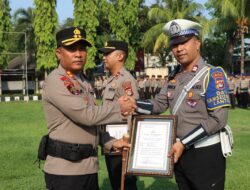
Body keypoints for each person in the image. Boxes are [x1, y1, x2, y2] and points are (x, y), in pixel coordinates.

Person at [136, 19, 231, 190]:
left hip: (205, 154)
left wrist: (183, 143)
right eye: (174, 44)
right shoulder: (175, 76)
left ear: (197, 43)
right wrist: (133, 104)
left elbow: (218, 120)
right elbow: (158, 104)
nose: (179, 49)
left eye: (184, 42)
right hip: (180, 152)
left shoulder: (212, 74)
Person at [41, 27, 136, 190]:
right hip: (66, 172)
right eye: (72, 49)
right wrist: (118, 107)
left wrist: (111, 143)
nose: (78, 54)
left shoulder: (81, 81)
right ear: (58, 53)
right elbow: (86, 116)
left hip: (88, 168)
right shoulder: (56, 80)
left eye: (82, 49)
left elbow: (91, 126)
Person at [98, 40, 138, 190]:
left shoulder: (126, 80)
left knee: (124, 185)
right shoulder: (111, 80)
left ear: (120, 56)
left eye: (108, 53)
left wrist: (128, 143)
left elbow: (131, 112)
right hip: (111, 141)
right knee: (116, 183)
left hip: (122, 143)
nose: (104, 57)